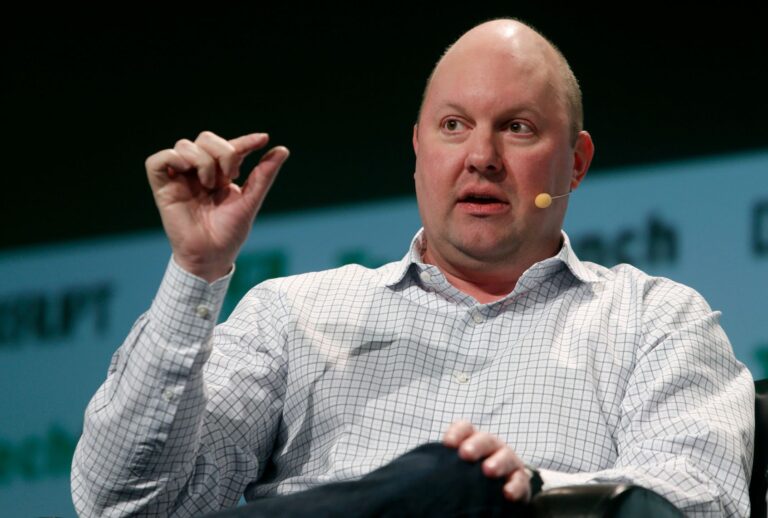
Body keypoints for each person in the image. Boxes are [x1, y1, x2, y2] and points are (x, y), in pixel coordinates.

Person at [71, 18, 754, 517]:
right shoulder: (292, 316)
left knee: (459, 483)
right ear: (419, 150)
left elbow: (701, 500)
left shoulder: (655, 320)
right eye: (454, 126)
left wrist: (532, 498)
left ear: (574, 163)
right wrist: (196, 268)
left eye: (517, 128)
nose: (480, 155)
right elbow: (125, 504)